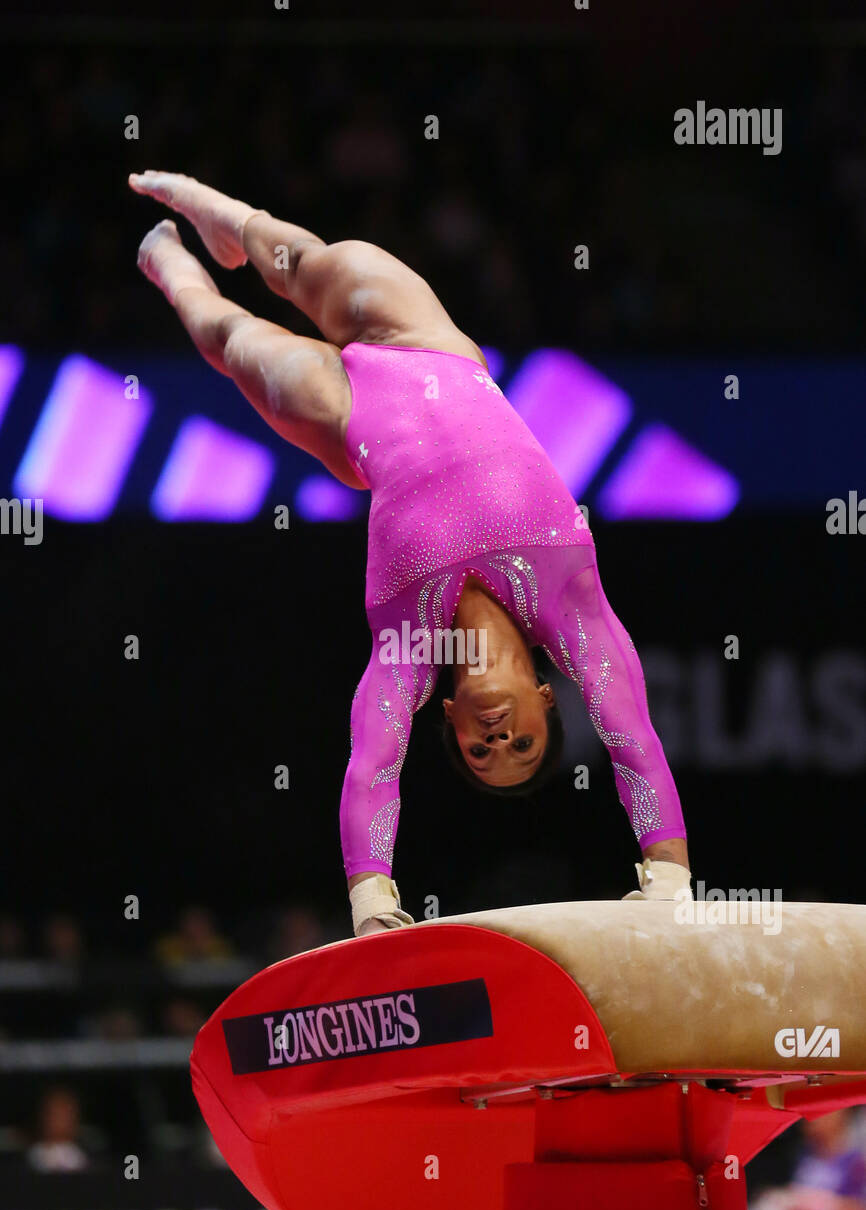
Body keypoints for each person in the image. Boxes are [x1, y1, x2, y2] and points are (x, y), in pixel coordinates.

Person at [130, 171, 690, 936]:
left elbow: (374, 764)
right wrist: (667, 878)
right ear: (546, 695)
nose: (499, 738)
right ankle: (224, 215)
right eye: (522, 741)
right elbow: (632, 733)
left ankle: (171, 263)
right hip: (422, 342)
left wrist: (373, 904)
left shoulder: (414, 646)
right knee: (304, 262)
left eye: (482, 751)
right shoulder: (570, 605)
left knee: (231, 342)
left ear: (452, 717)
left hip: (349, 421)